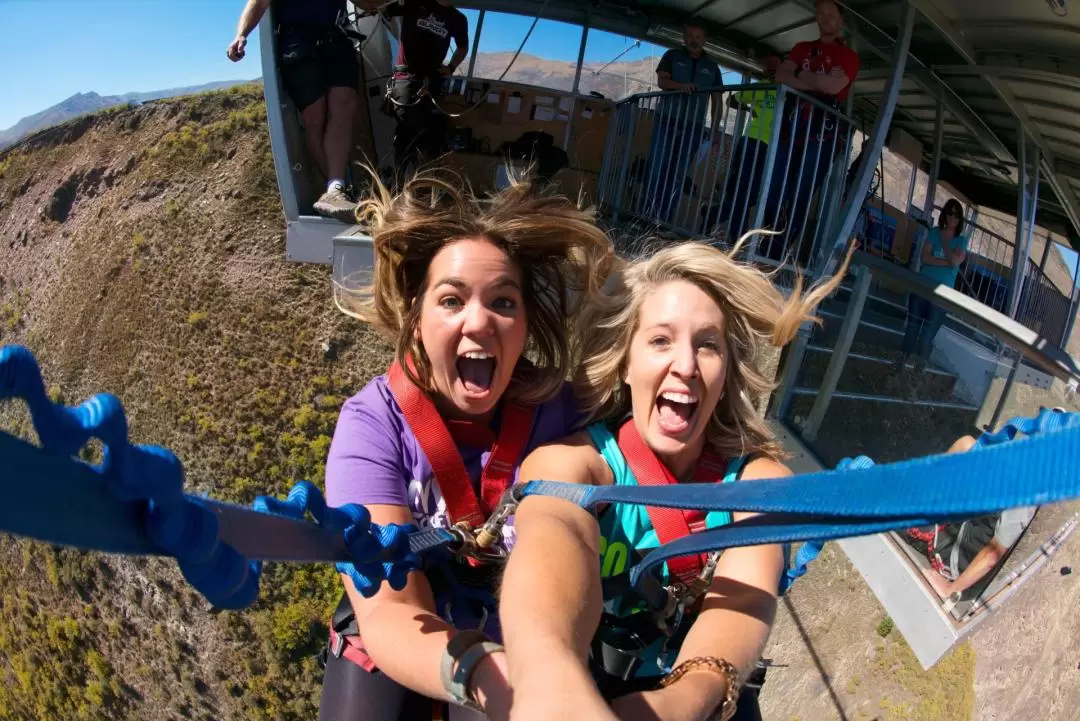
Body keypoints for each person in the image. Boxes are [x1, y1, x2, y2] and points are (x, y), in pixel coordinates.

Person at [500, 240, 848, 721]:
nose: (685, 364)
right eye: (661, 340)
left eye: (708, 345)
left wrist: (676, 704)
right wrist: (548, 681)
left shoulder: (758, 485)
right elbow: (551, 537)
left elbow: (739, 603)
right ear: (625, 363)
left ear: (725, 373)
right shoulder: (570, 465)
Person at [317, 169, 615, 721]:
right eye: (451, 300)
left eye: (503, 303)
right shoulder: (373, 424)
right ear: (416, 319)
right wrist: (481, 674)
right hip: (406, 616)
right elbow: (389, 612)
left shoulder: (565, 411)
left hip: (517, 629)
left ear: (525, 324)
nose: (478, 321)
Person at [227, 0, 361, 222]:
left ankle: (336, 187)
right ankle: (336, 190)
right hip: (297, 42)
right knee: (315, 118)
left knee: (345, 104)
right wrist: (241, 34)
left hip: (335, 35)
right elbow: (258, 3)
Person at [766, 0, 860, 255]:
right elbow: (781, 76)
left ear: (841, 19)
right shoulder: (802, 48)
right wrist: (816, 83)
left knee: (801, 194)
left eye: (831, 13)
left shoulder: (848, 56)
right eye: (821, 13)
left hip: (822, 136)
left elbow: (833, 87)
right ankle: (763, 245)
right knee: (775, 186)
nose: (825, 17)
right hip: (792, 128)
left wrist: (803, 76)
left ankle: (777, 253)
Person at [907, 435, 1036, 601]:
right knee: (967, 445)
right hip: (954, 524)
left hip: (950, 555)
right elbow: (965, 446)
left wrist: (950, 589)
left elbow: (992, 555)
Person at [361, 0, 469, 180]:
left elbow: (463, 47)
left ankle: (419, 190)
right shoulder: (413, 2)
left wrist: (450, 67)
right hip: (406, 78)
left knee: (430, 138)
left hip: (433, 83)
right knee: (408, 133)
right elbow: (381, 7)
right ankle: (399, 187)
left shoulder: (458, 19)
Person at [646, 21, 724, 227]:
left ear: (704, 40)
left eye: (698, 37)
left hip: (693, 128)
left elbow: (717, 99)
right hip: (666, 121)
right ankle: (646, 216)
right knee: (656, 169)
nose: (693, 41)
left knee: (678, 174)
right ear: (684, 38)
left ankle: (664, 221)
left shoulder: (713, 67)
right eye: (690, 36)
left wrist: (715, 129)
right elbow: (662, 82)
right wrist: (681, 86)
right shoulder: (671, 56)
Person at [701, 56, 782, 241]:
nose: (772, 72)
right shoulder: (760, 86)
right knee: (745, 191)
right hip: (753, 141)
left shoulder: (788, 90)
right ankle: (737, 237)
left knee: (756, 194)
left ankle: (714, 214)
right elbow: (731, 101)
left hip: (774, 146)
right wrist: (749, 109)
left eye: (775, 69)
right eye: (769, 69)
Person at [896, 198, 969, 371]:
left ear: (960, 219)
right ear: (944, 214)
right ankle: (900, 364)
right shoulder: (935, 232)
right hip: (922, 286)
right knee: (912, 329)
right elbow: (925, 258)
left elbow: (955, 262)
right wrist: (947, 260)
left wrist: (944, 243)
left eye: (957, 215)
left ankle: (918, 370)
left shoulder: (961, 241)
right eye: (950, 213)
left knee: (927, 335)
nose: (952, 217)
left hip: (942, 295)